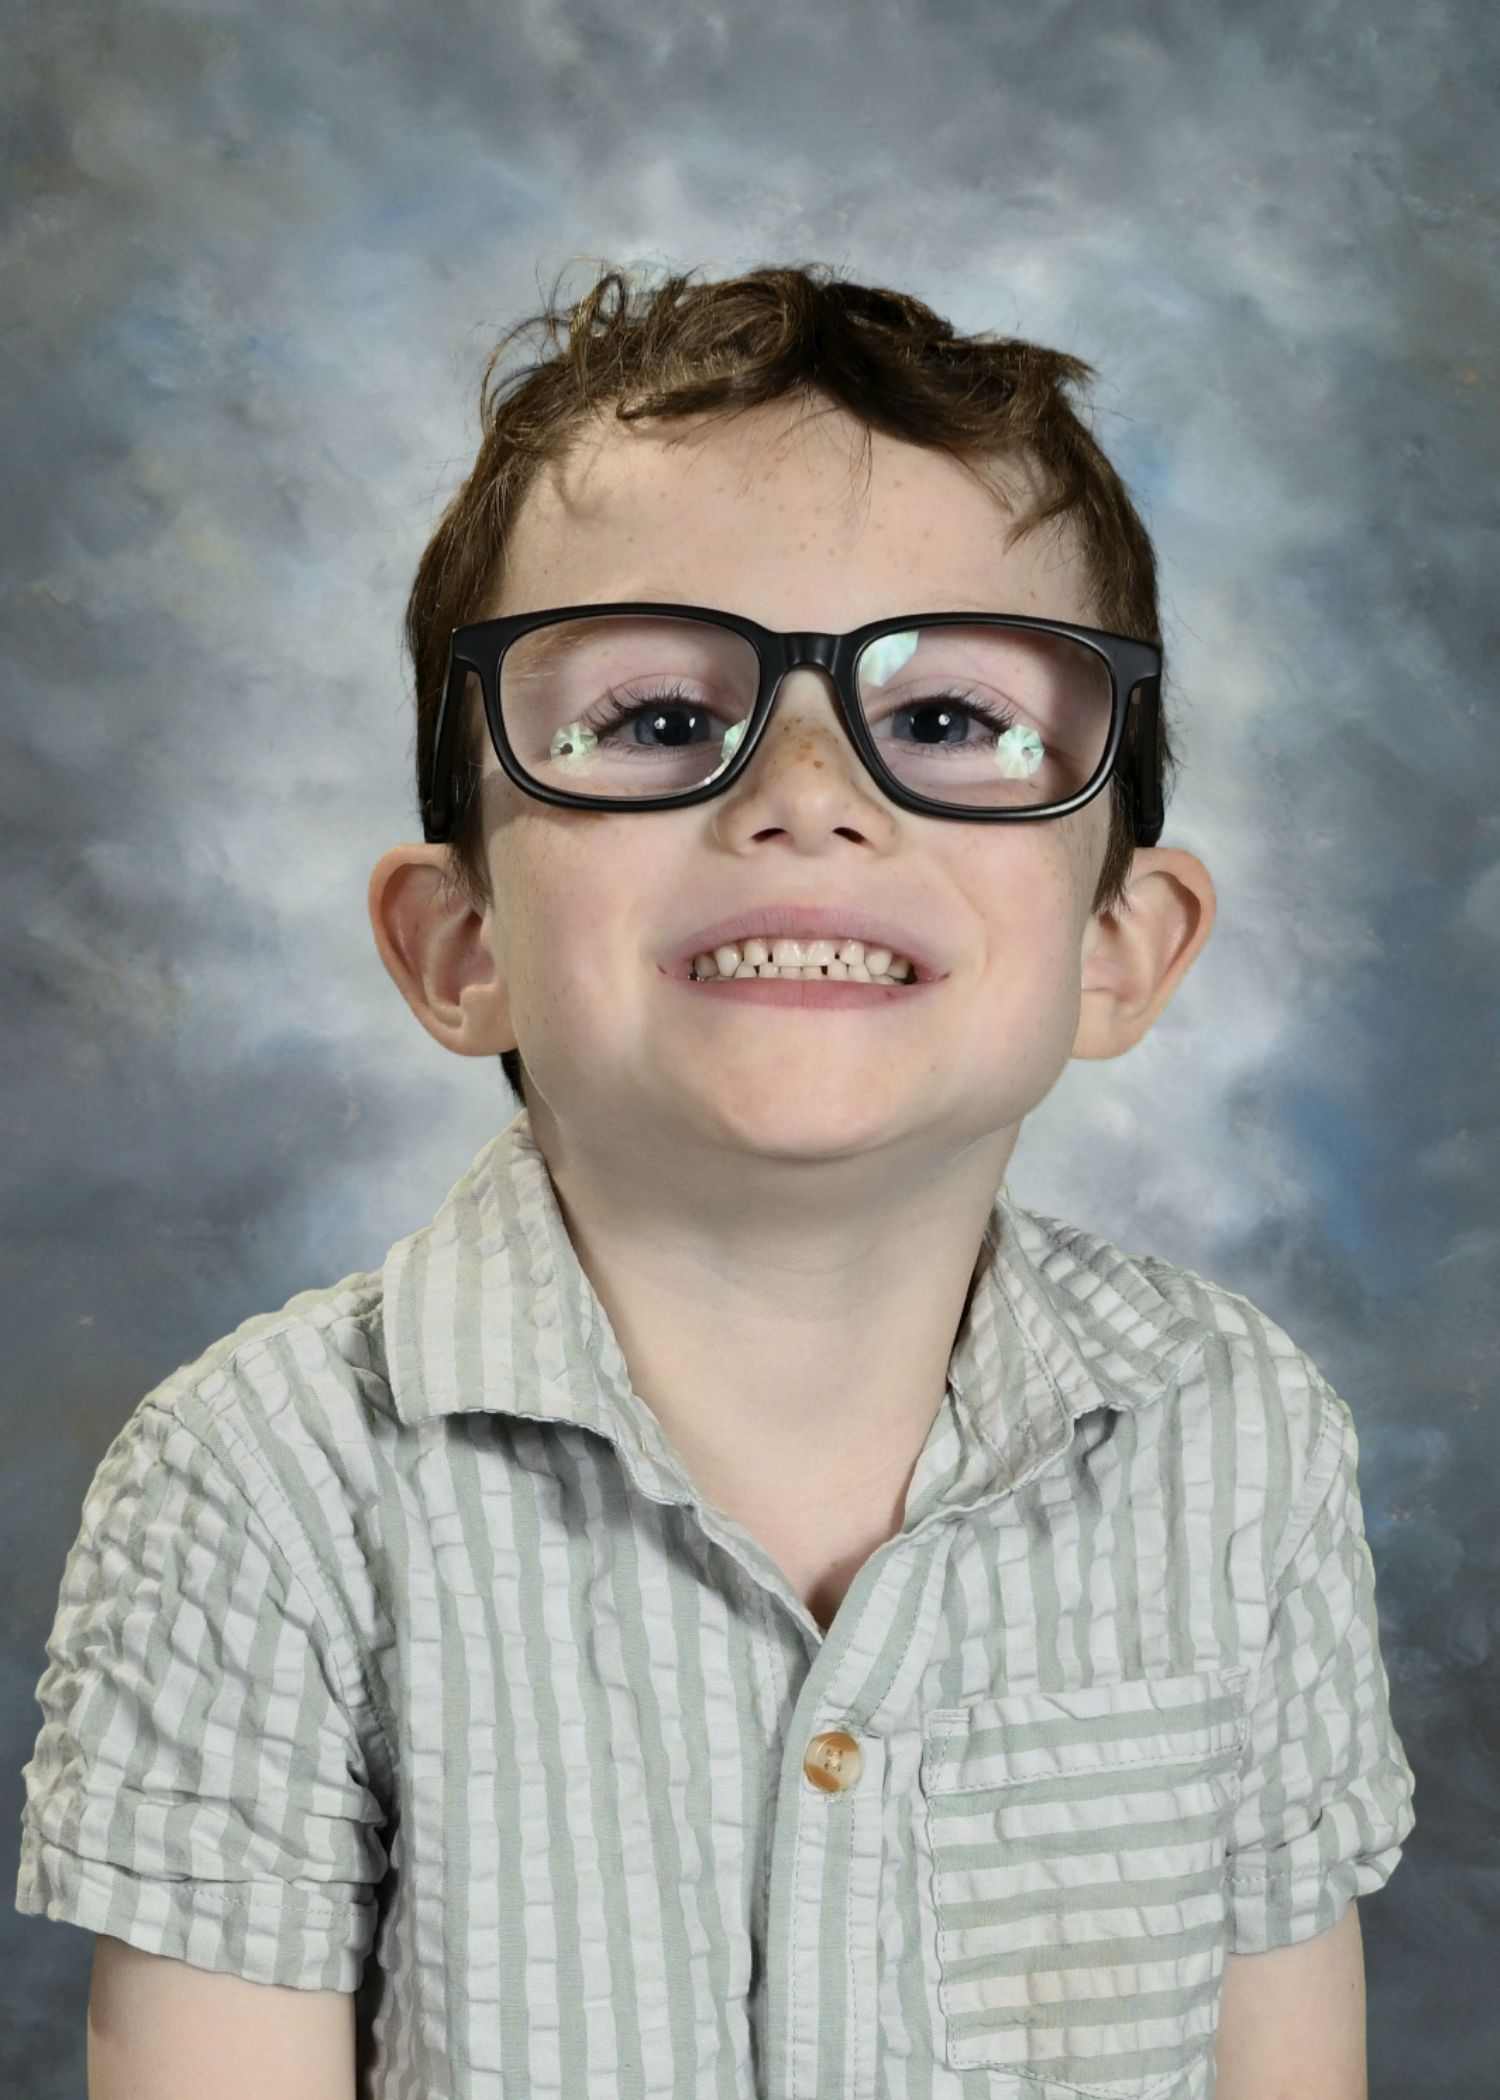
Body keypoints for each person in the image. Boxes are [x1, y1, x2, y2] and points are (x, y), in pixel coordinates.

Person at [17, 262, 1415, 2100]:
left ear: (1119, 950)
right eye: (663, 720)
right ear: (461, 949)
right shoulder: (267, 1493)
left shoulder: (1242, 1449)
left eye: (950, 721)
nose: (812, 792)